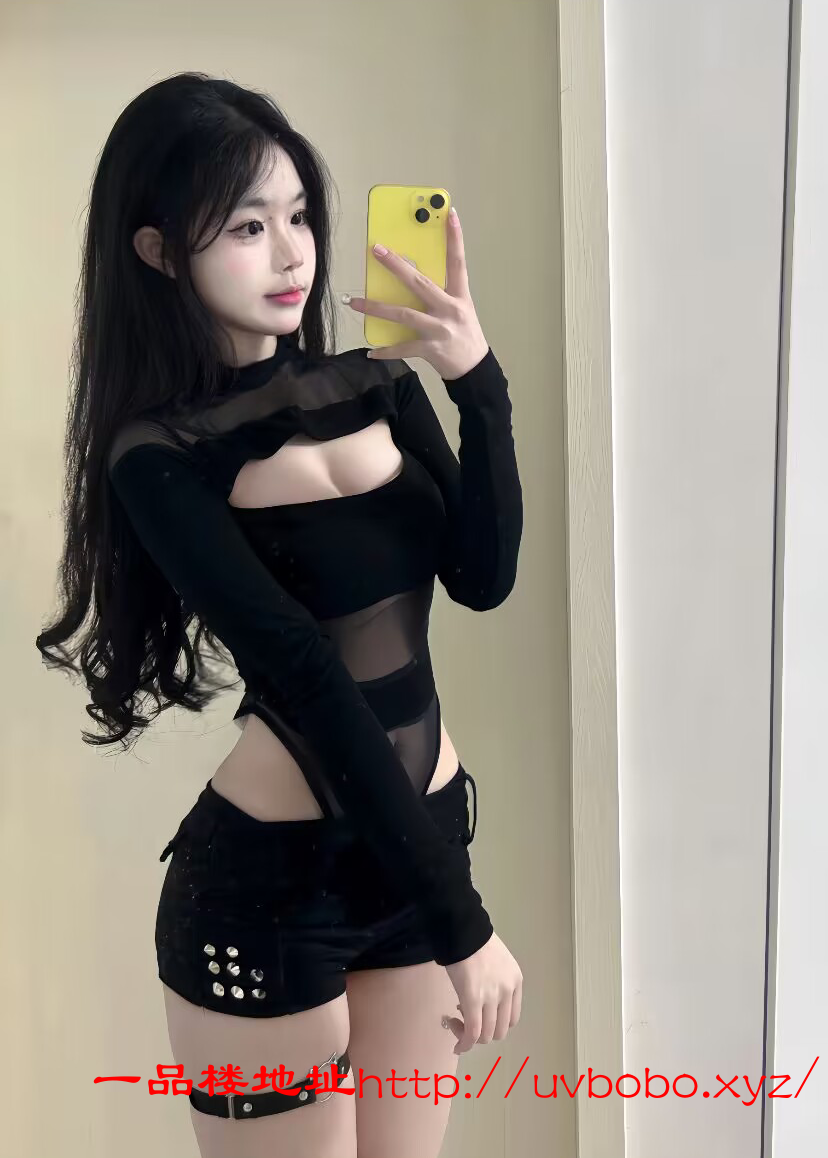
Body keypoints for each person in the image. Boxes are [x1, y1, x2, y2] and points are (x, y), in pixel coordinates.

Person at [36, 71, 524, 1157]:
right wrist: (465, 926)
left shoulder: (377, 384)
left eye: (298, 215)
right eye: (247, 227)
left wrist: (476, 382)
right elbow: (307, 674)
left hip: (420, 846)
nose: (291, 254)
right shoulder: (157, 457)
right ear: (160, 251)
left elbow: (483, 576)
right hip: (269, 893)